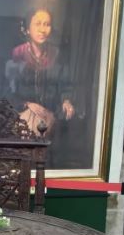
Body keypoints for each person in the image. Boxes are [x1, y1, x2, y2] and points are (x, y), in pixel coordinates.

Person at [6, 8, 74, 138]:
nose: (42, 29)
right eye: (38, 24)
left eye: (47, 24)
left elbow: (64, 84)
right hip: (24, 115)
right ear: (27, 29)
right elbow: (9, 91)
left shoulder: (57, 54)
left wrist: (66, 100)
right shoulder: (17, 54)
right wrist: (27, 104)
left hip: (51, 115)